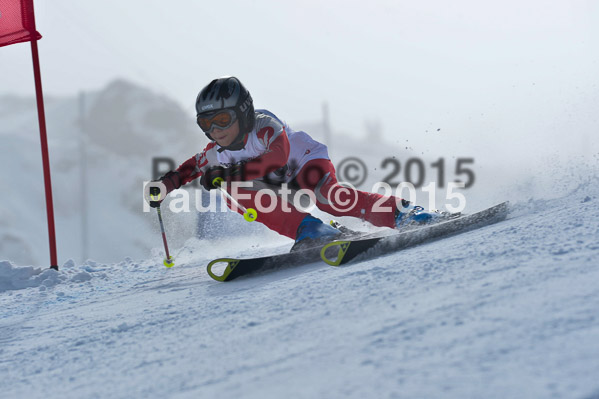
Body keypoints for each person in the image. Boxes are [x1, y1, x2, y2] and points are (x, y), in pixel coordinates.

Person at [148, 76, 448, 250]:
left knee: (330, 199)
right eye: (206, 123)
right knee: (234, 194)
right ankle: (312, 231)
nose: (216, 130)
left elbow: (277, 157)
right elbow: (187, 170)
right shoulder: (214, 152)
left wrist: (228, 173)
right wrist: (163, 187)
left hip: (305, 165)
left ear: (242, 112)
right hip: (278, 187)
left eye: (223, 119)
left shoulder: (264, 125)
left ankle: (406, 214)